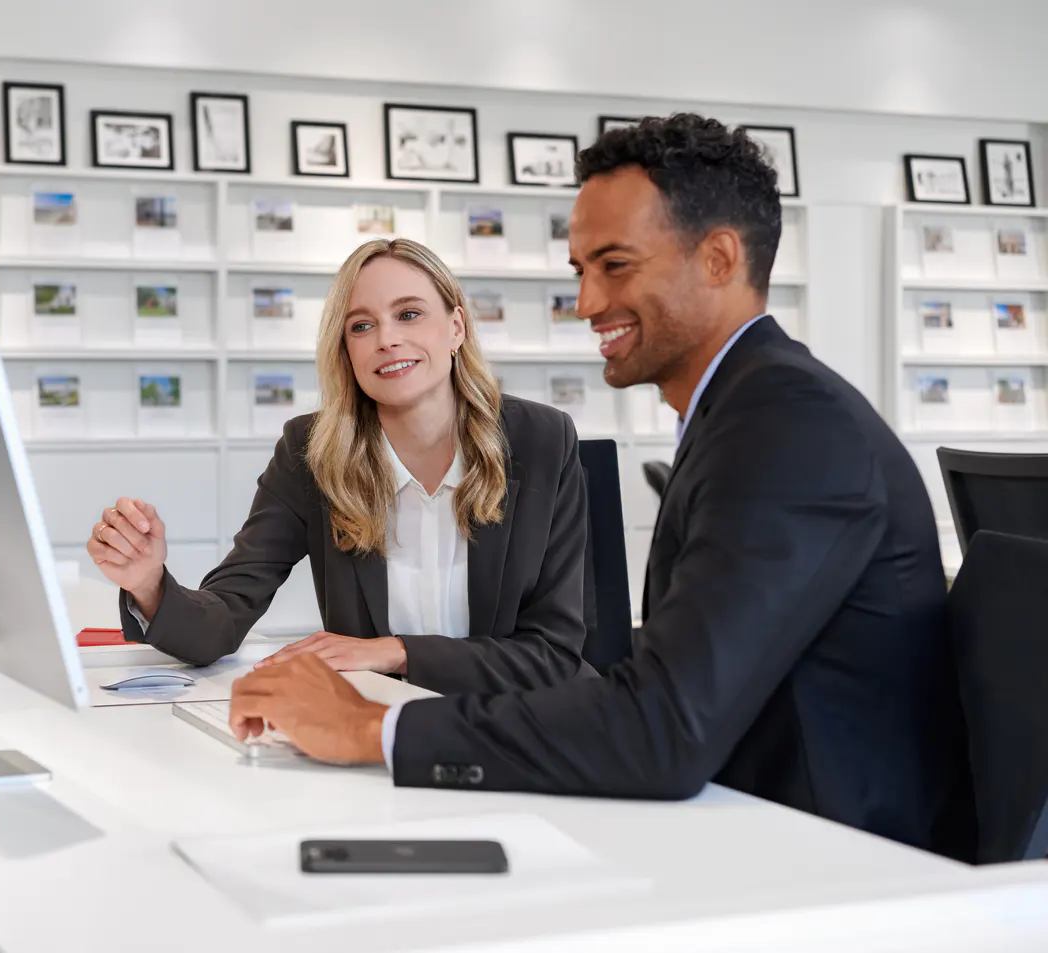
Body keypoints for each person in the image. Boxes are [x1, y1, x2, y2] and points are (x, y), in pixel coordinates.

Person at [227, 113, 975, 860]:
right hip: (753, 826)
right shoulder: (745, 410)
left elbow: (663, 728)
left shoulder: (786, 425)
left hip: (831, 861)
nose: (586, 303)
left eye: (615, 266)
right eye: (580, 270)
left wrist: (369, 728)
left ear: (718, 259)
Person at [87, 238, 593, 695]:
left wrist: (396, 652)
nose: (386, 339)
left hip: (521, 721)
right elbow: (224, 617)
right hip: (381, 723)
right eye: (362, 326)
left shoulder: (541, 440)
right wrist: (149, 584)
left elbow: (553, 653)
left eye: (409, 314)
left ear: (456, 327)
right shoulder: (310, 452)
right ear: (346, 350)